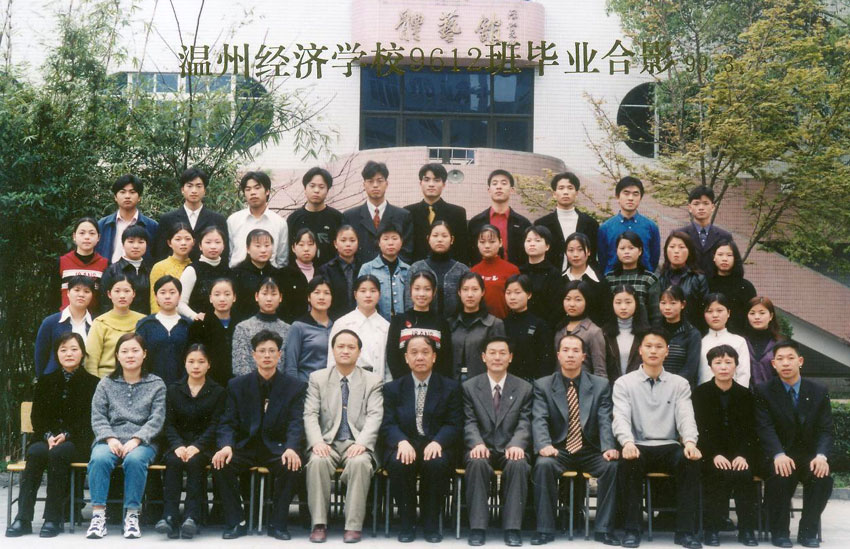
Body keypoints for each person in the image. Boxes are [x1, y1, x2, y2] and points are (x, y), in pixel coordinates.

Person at [612, 328, 703, 549]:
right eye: (649, 346)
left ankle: (685, 532)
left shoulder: (679, 383)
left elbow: (685, 416)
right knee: (628, 462)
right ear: (640, 350)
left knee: (690, 461)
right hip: (638, 444)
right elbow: (620, 417)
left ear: (667, 351)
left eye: (659, 347)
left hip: (669, 445)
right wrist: (627, 442)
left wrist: (690, 442)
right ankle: (632, 530)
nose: (653, 351)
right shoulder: (624, 383)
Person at [211, 330, 306, 540]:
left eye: (272, 351)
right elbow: (227, 421)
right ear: (253, 355)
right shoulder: (237, 385)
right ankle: (236, 521)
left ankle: (278, 523)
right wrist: (226, 446)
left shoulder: (294, 386)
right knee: (220, 463)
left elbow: (296, 422)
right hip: (246, 446)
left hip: (277, 447)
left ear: (279, 355)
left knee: (293, 465)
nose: (267, 355)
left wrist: (291, 447)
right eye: (262, 351)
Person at [6, 333, 99, 538]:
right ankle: (23, 518)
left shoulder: (93, 383)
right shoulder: (45, 381)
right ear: (56, 354)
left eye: (74, 349)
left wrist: (66, 434)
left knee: (59, 453)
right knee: (35, 453)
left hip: (76, 441)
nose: (69, 354)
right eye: (63, 350)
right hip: (45, 438)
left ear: (82, 353)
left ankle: (52, 519)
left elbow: (90, 419)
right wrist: (48, 435)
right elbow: (37, 416)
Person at [530, 333, 620, 547]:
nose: (570, 355)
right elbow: (539, 418)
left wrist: (608, 447)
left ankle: (604, 530)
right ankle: (545, 530)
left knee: (612, 466)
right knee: (543, 465)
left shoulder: (600, 385)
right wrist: (544, 444)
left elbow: (605, 419)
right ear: (558, 355)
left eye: (575, 351)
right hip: (558, 449)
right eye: (566, 350)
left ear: (584, 356)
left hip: (589, 449)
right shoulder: (543, 385)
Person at [303, 329, 384, 543]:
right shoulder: (318, 378)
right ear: (333, 350)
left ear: (359, 352)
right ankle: (319, 524)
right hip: (327, 442)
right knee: (317, 462)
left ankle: (353, 526)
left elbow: (375, 415)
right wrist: (317, 442)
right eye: (340, 346)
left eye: (351, 347)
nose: (345, 351)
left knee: (359, 463)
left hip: (356, 443)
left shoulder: (372, 380)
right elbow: (310, 414)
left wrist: (363, 443)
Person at [381, 335, 463, 543]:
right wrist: (401, 441)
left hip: (435, 442)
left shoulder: (450, 387)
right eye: (414, 352)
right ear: (406, 358)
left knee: (436, 463)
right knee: (400, 462)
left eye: (425, 352)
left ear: (434, 357)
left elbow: (454, 423)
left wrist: (438, 442)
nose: (420, 357)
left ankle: (430, 524)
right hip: (405, 442)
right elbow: (388, 423)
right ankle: (406, 523)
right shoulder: (392, 388)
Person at [85, 333, 167, 539]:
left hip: (143, 441)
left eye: (135, 350)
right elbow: (98, 416)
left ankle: (132, 515)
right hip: (110, 438)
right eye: (125, 351)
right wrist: (110, 438)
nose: (130, 355)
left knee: (135, 460)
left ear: (144, 354)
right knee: (99, 458)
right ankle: (98, 516)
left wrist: (137, 439)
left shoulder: (156, 384)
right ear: (117, 356)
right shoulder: (106, 383)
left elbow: (157, 419)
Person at [755, 342, 834, 549]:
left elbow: (826, 429)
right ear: (773, 364)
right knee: (781, 475)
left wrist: (821, 456)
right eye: (780, 359)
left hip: (808, 455)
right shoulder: (764, 390)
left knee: (822, 478)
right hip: (779, 453)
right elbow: (764, 427)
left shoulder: (818, 390)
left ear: (800, 361)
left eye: (790, 358)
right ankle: (779, 532)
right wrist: (778, 454)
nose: (785, 363)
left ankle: (808, 531)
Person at [463, 336, 533, 547]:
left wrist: (517, 444)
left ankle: (512, 529)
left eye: (502, 353)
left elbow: (525, 421)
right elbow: (469, 421)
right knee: (476, 463)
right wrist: (477, 443)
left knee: (519, 464)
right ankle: (478, 528)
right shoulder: (469, 387)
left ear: (510, 357)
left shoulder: (524, 388)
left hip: (510, 447)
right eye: (492, 353)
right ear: (484, 357)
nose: (497, 357)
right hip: (481, 446)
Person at [156, 344, 226, 539]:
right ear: (185, 364)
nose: (196, 366)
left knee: (195, 462)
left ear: (209, 364)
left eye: (201, 362)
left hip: (204, 446)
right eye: (191, 361)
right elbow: (168, 424)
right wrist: (177, 445)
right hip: (177, 445)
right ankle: (169, 517)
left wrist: (197, 446)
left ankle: (191, 517)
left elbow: (215, 425)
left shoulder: (218, 391)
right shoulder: (173, 390)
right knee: (173, 461)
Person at [692, 345, 759, 547]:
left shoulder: (746, 395)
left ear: (736, 366)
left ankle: (747, 530)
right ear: (710, 366)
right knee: (715, 473)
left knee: (744, 474)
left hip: (739, 455)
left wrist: (743, 455)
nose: (723, 367)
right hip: (710, 454)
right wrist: (714, 454)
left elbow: (751, 431)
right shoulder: (700, 393)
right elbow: (699, 430)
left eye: (728, 362)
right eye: (718, 362)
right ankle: (711, 529)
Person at [343, 160, 414, 263]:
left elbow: (406, 252)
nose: (375, 185)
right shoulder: (350, 216)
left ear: (386, 183)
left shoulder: (403, 216)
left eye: (380, 181)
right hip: (359, 271)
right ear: (364, 184)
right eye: (370, 181)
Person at [386, 270, 453, 379]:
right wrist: (406, 383)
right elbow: (392, 357)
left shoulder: (441, 322)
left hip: (435, 385)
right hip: (404, 384)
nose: (421, 294)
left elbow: (446, 360)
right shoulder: (398, 321)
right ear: (410, 290)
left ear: (434, 292)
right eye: (417, 289)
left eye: (427, 289)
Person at [154, 166, 229, 262]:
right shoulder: (167, 219)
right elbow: (160, 253)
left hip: (208, 269)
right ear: (182, 189)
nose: (194, 191)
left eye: (198, 186)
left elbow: (224, 253)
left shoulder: (218, 219)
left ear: (205, 190)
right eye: (189, 186)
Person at [326, 274, 390, 381]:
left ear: (379, 295)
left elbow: (388, 366)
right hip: (347, 382)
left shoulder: (386, 326)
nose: (368, 295)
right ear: (355, 294)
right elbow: (332, 360)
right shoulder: (342, 323)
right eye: (363, 291)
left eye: (373, 291)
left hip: (377, 381)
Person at [533, 172, 600, 271]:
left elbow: (593, 256)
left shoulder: (590, 223)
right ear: (554, 194)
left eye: (570, 188)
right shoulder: (542, 224)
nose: (565, 192)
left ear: (576, 193)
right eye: (561, 188)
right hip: (550, 277)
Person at [405, 162, 470, 264]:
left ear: (443, 184)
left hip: (448, 269)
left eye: (436, 180)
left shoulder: (457, 213)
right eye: (426, 180)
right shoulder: (408, 212)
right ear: (420, 183)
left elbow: (462, 251)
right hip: (415, 270)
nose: (431, 184)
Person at [450, 272, 506, 382]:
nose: (470, 295)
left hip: (481, 382)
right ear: (459, 292)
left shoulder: (494, 324)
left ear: (482, 292)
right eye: (465, 289)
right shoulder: (451, 323)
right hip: (453, 381)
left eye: (475, 289)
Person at [85, 275, 146, 378]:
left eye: (127, 291)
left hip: (137, 378)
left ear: (133, 293)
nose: (122, 296)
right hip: (105, 379)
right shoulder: (100, 322)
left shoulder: (143, 321)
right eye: (117, 291)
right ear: (109, 294)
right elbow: (91, 361)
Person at [597, 176, 660, 275]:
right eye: (626, 193)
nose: (630, 198)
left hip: (643, 280)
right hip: (613, 281)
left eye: (635, 194)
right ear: (617, 197)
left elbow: (654, 259)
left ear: (640, 198)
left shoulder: (651, 227)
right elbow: (602, 259)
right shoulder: (605, 228)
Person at [408, 220, 471, 318]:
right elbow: (408, 303)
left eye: (444, 236)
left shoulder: (462, 270)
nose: (440, 240)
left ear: (452, 239)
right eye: (435, 235)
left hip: (456, 325)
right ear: (428, 239)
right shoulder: (416, 268)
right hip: (423, 324)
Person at [35, 275, 94, 378]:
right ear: (68, 293)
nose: (81, 295)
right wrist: (43, 382)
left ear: (92, 295)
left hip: (86, 382)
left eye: (86, 291)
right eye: (77, 290)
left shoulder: (97, 323)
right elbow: (40, 357)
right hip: (54, 382)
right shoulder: (50, 322)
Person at [468, 169, 531, 266]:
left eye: (504, 183)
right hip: (482, 273)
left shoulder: (523, 223)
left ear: (512, 190)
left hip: (514, 274)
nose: (499, 187)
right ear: (489, 190)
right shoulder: (476, 222)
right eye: (495, 183)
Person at [135, 276, 190, 384]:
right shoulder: (145, 325)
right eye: (163, 292)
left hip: (183, 386)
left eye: (172, 292)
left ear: (179, 296)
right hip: (150, 385)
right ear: (156, 297)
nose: (167, 296)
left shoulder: (188, 325)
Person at [227, 170, 289, 268]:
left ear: (267, 191)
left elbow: (282, 260)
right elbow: (228, 254)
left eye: (257, 188)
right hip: (237, 274)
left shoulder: (279, 223)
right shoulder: (233, 220)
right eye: (248, 189)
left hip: (269, 275)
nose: (252, 193)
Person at [231, 277, 290, 376]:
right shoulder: (243, 328)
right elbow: (240, 366)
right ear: (256, 296)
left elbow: (289, 365)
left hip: (281, 384)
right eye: (265, 294)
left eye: (273, 294)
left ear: (280, 297)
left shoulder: (288, 329)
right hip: (249, 383)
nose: (269, 299)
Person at [286, 166, 344, 268]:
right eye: (312, 186)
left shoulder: (337, 218)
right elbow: (289, 254)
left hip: (330, 274)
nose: (316, 190)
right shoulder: (294, 219)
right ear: (305, 189)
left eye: (321, 187)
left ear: (327, 190)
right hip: (300, 274)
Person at [95, 174, 159, 264]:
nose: (127, 196)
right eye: (122, 192)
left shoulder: (152, 226)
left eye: (132, 192)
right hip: (108, 271)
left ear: (139, 197)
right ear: (115, 197)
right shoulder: (102, 225)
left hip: (140, 272)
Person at [502, 274, 554, 382]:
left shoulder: (539, 324)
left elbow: (546, 361)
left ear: (529, 294)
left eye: (517, 292)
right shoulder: (502, 323)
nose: (512, 297)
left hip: (532, 383)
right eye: (508, 293)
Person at [604, 230, 660, 327]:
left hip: (643, 331)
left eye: (631, 248)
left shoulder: (649, 279)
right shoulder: (609, 279)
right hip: (614, 331)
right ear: (616, 251)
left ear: (640, 251)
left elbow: (656, 314)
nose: (626, 252)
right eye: (622, 248)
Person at [188, 277, 238, 388]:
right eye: (217, 294)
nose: (222, 299)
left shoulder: (241, 324)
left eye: (227, 294)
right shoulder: (199, 325)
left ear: (234, 297)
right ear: (210, 298)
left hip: (237, 383)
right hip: (209, 384)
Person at [283, 276, 334, 383]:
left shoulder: (337, 326)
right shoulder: (298, 326)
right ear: (309, 297)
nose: (321, 297)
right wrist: (296, 390)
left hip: (331, 386)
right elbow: (291, 367)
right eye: (317, 292)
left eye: (326, 293)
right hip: (306, 385)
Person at [675, 186, 734, 275]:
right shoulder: (679, 235)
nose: (701, 207)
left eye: (706, 203)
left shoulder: (724, 236)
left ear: (712, 207)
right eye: (696, 204)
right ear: (690, 208)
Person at [657, 231, 709, 330]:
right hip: (663, 331)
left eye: (681, 247)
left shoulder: (698, 278)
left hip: (691, 331)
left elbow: (704, 309)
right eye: (672, 247)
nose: (676, 251)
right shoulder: (660, 277)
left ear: (689, 251)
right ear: (666, 250)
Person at [358, 224, 412, 321]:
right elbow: (359, 300)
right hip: (374, 323)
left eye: (394, 238)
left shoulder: (408, 270)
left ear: (401, 242)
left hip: (402, 323)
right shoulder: (367, 268)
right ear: (379, 242)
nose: (390, 243)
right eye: (386, 239)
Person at [554, 280, 606, 378]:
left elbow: (600, 371)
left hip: (584, 385)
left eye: (578, 300)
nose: (572, 304)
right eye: (568, 299)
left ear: (587, 301)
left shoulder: (593, 331)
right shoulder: (559, 329)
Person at [178, 225, 232, 321]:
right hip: (198, 323)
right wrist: (194, 316)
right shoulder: (192, 270)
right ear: (200, 246)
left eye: (217, 242)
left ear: (224, 246)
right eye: (208, 242)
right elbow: (180, 303)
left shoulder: (228, 270)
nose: (213, 246)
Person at [699, 293, 751, 387]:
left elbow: (743, 374)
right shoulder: (699, 342)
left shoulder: (739, 341)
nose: (715, 315)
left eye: (719, 310)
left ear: (728, 313)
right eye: (709, 311)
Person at [99, 225, 152, 314]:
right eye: (131, 241)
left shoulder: (150, 271)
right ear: (123, 244)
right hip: (118, 319)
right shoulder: (112, 271)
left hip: (145, 320)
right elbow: (105, 303)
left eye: (141, 242)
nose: (136, 246)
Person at [708, 239, 757, 335]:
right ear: (714, 257)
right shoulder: (705, 283)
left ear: (735, 258)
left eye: (729, 255)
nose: (724, 259)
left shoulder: (746, 287)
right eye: (720, 254)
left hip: (738, 337)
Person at [471, 224, 520, 320]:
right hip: (479, 324)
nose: (487, 246)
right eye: (482, 242)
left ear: (500, 242)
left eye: (492, 241)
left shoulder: (512, 270)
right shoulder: (473, 271)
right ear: (477, 244)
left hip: (505, 323)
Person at [59, 217, 108, 312]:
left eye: (92, 233)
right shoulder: (62, 262)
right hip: (65, 317)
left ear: (98, 237)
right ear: (74, 236)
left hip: (94, 318)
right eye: (82, 233)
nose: (87, 237)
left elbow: (105, 298)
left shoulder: (105, 264)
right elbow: (53, 295)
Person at [230, 228, 279, 322]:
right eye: (258, 246)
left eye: (267, 245)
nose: (263, 250)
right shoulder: (236, 273)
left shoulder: (277, 274)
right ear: (248, 249)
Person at [658, 285, 702, 387]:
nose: (667, 307)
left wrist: (671, 386)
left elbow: (690, 368)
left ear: (683, 304)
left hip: (681, 389)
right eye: (663, 303)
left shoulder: (692, 334)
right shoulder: (654, 332)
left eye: (673, 303)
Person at [603, 284, 648, 382]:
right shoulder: (604, 333)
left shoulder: (646, 334)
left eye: (628, 302)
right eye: (618, 302)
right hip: (611, 387)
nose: (623, 307)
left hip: (638, 386)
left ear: (636, 303)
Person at [564, 232, 610, 326]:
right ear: (566, 253)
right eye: (571, 250)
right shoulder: (559, 279)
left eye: (580, 250)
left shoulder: (599, 281)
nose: (575, 254)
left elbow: (606, 314)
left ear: (589, 252)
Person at [519, 225, 562, 325]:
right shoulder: (519, 271)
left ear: (547, 246)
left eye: (537, 240)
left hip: (544, 326)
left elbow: (556, 308)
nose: (532, 244)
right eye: (528, 240)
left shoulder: (553, 274)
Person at [318, 224, 362, 320]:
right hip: (334, 320)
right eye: (343, 240)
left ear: (358, 243)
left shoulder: (364, 267)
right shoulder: (326, 269)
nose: (348, 244)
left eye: (352, 240)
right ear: (335, 244)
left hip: (360, 319)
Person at [149, 223, 194, 313]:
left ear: (193, 242)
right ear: (169, 243)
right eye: (178, 239)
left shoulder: (195, 267)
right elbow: (154, 301)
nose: (183, 243)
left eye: (187, 239)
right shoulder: (160, 267)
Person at [276, 227, 314, 323]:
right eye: (301, 245)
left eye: (310, 244)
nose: (306, 249)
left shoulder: (322, 272)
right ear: (293, 248)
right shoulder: (283, 274)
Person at [745, 296, 784, 386]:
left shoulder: (780, 343)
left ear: (771, 316)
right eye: (752, 313)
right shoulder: (741, 342)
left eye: (762, 313)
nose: (757, 317)